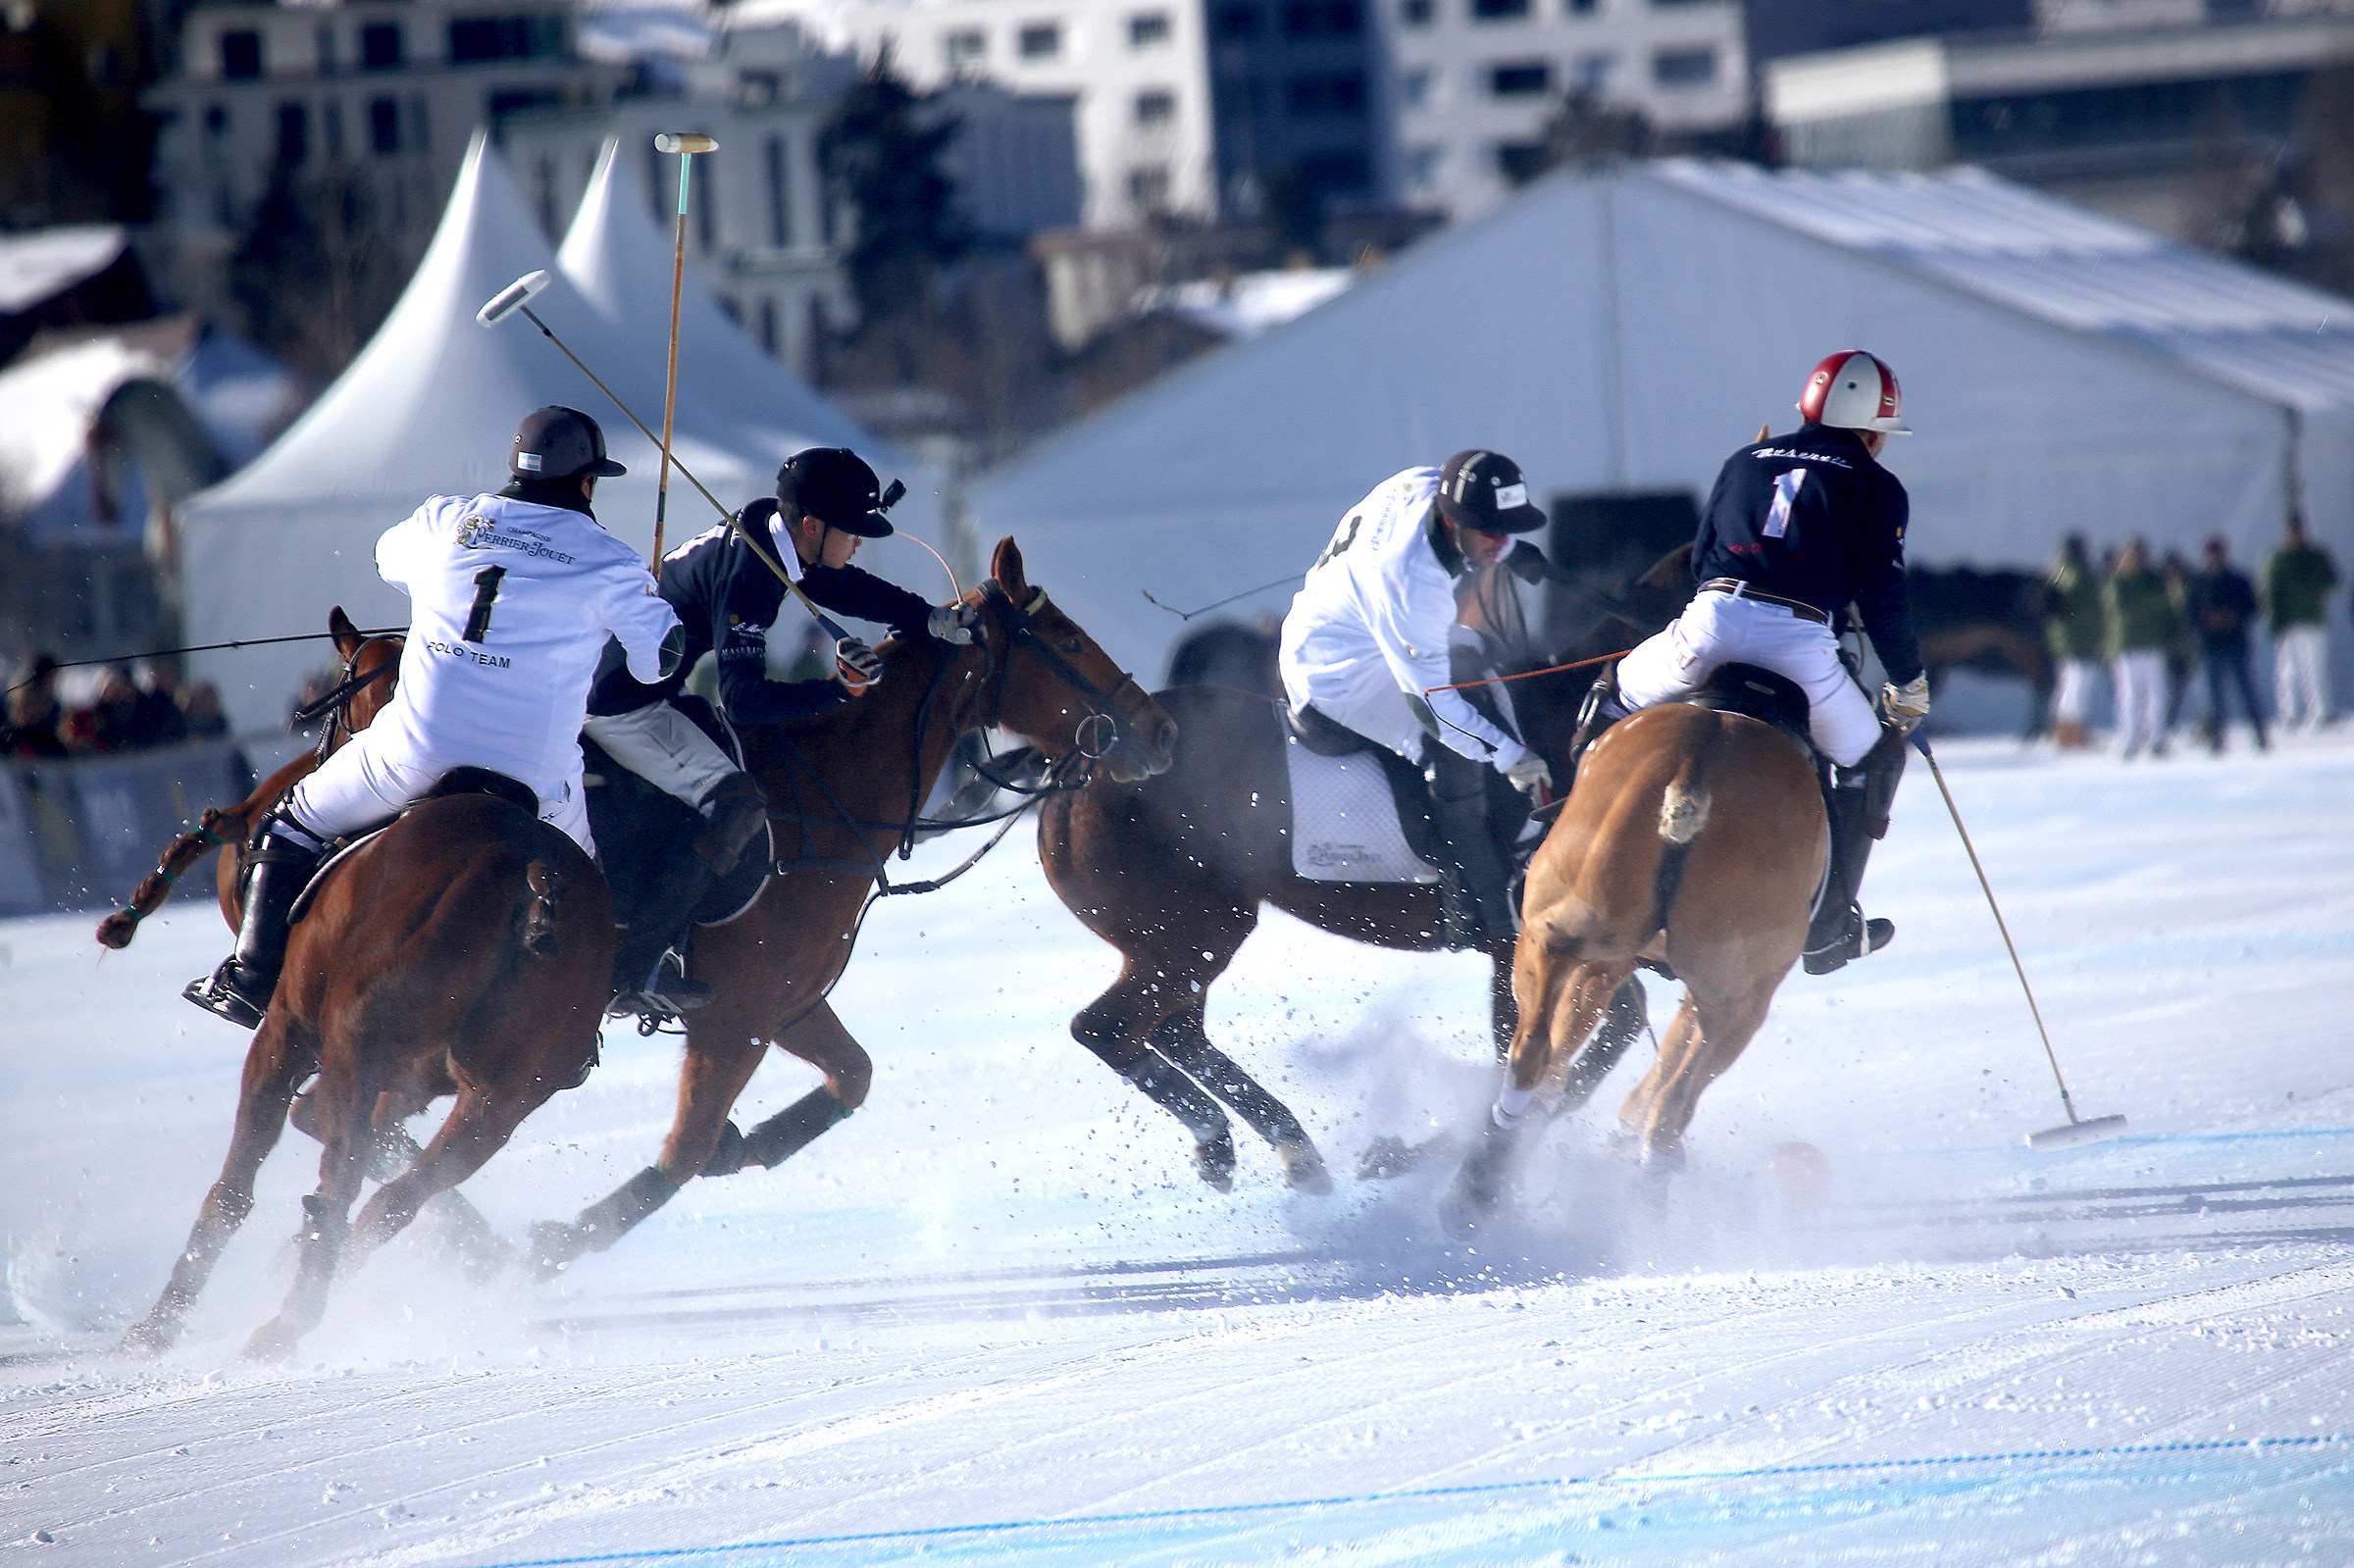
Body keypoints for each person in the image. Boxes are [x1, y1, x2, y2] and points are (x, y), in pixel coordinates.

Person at [185, 406, 683, 1029]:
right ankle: (598, 1001)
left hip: (414, 752)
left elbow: (384, 558)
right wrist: (647, 599)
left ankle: (253, 977)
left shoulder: (448, 519)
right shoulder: (611, 561)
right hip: (534, 776)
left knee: (293, 820)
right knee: (587, 885)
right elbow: (660, 662)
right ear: (587, 483)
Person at [585, 446, 977, 1016]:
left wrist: (927, 617)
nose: (859, 541)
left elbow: (843, 584)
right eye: (852, 530)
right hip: (622, 706)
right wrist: (839, 691)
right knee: (738, 802)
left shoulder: (773, 533)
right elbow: (742, 699)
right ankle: (635, 965)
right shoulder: (749, 574)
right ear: (812, 525)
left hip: (650, 690)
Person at [1613, 350, 1926, 976]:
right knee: (1875, 757)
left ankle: (1547, 852)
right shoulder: (1878, 486)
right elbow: (1882, 595)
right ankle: (1831, 926)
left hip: (1709, 629)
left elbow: (1702, 561)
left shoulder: (1743, 459)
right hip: (1800, 652)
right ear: (1872, 431)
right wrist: (1907, 679)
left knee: (1611, 696)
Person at [1280, 449, 1554, 945]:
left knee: (1477, 665)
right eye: (1491, 530)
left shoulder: (1423, 483)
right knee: (1453, 749)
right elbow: (1434, 711)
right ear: (1454, 521)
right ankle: (1489, 915)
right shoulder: (1411, 582)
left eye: (1509, 527)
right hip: (1337, 676)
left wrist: (1511, 551)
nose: (1501, 538)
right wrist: (1512, 756)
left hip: (1360, 631)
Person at [2186, 535, 2268, 753]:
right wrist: (2208, 620)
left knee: (2247, 694)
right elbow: (2189, 614)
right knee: (2215, 699)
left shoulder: (2239, 580)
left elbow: (2253, 607)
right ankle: (2218, 739)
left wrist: (2232, 617)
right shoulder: (2198, 582)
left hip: (2236, 644)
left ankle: (2260, 735)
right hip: (2210, 647)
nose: (2214, 557)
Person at [2263, 515, 2337, 731]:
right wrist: (2275, 621)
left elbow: (2332, 579)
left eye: (2299, 530)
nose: (2296, 535)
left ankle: (2321, 712)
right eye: (2292, 531)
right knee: (2289, 670)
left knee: (2316, 668)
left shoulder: (2316, 556)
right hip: (2289, 623)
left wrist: (2317, 576)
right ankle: (2290, 714)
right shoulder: (2278, 559)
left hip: (2313, 619)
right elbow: (2271, 591)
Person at [2104, 538, 2176, 760]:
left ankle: (2156, 739)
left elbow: (2166, 605)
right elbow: (2123, 609)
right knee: (2130, 696)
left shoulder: (2154, 579)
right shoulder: (2118, 581)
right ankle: (2130, 739)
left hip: (2153, 645)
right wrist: (2149, 604)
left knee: (2157, 695)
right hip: (2128, 646)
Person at [2041, 534, 2105, 748]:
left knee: (2067, 686)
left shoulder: (2057, 573)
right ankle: (2072, 732)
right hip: (2081, 639)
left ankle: (2065, 730)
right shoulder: (2080, 574)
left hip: (2065, 640)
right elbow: (2089, 605)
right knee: (2078, 686)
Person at [1, 653, 69, 758]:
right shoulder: (26, 691)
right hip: (21, 735)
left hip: (37, 735)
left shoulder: (48, 694)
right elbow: (23, 717)